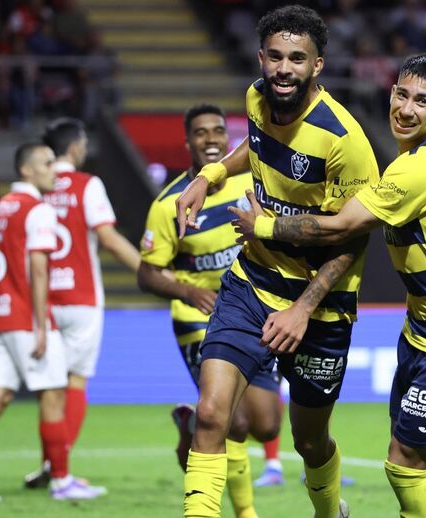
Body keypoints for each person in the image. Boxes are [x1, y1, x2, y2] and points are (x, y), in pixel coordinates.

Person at [231, 54, 426, 518]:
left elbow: (342, 227)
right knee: (416, 449)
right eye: (402, 94)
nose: (407, 109)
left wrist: (267, 227)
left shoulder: (416, 171)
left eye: (423, 101)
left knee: (405, 465)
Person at [174, 6, 380, 517]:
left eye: (297, 59)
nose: (283, 69)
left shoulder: (344, 141)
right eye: (275, 57)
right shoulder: (255, 97)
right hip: (250, 282)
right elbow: (258, 146)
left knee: (309, 443)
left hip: (321, 308)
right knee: (211, 413)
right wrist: (210, 176)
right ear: (261, 56)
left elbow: (353, 239)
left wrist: (303, 310)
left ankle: (330, 512)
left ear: (318, 65)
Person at [137, 103, 283, 517]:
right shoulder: (169, 204)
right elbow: (147, 274)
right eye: (200, 133)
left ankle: (188, 425)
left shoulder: (250, 183)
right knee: (229, 422)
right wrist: (185, 290)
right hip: (199, 319)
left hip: (252, 311)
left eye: (217, 131)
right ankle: (245, 512)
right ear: (188, 143)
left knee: (266, 424)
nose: (211, 139)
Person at [0, 142, 102, 502]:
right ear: (26, 170)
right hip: (26, 320)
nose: (54, 170)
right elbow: (39, 270)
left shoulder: (3, 206)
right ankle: (61, 480)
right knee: (54, 394)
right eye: (47, 163)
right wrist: (42, 326)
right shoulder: (38, 210)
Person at [15, 117, 140, 493]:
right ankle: (60, 472)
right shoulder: (88, 185)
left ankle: (50, 467)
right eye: (83, 144)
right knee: (74, 384)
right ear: (74, 147)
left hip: (43, 301)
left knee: (50, 389)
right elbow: (109, 238)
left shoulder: (38, 188)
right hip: (82, 298)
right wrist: (150, 272)